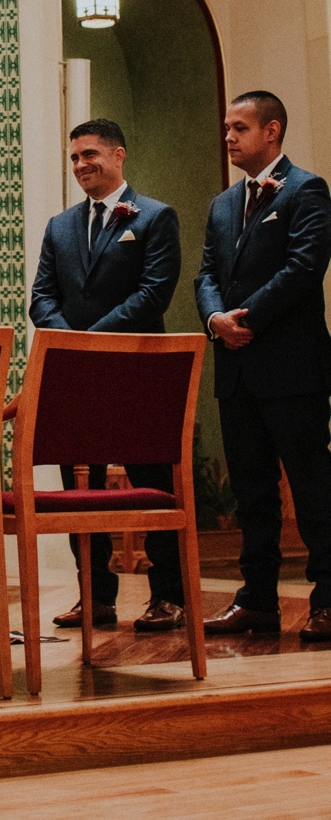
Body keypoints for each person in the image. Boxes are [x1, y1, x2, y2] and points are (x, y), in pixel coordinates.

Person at [30, 119, 184, 632]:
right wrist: (72, 343)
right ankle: (94, 596)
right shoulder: (60, 225)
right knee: (80, 488)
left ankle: (169, 596)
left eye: (90, 154)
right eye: (74, 158)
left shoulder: (156, 217)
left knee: (155, 484)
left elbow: (154, 292)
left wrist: (94, 337)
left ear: (119, 155)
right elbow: (41, 297)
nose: (81, 165)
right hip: (75, 374)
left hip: (138, 372)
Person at [196, 90, 331, 642]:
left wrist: (244, 318)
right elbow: (206, 273)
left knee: (312, 487)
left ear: (271, 131)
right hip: (235, 369)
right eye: (226, 126)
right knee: (252, 492)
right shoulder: (224, 203)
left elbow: (304, 267)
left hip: (291, 367)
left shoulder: (307, 190)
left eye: (240, 127)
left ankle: (328, 600)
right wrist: (214, 321)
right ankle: (257, 601)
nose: (228, 135)